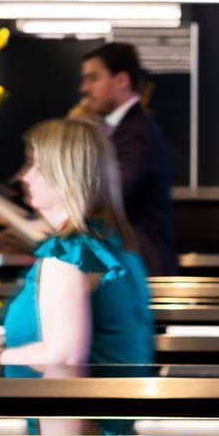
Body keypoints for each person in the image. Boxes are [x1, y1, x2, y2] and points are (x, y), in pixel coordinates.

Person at [0, 118, 154, 369]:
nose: (24, 176)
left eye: (37, 167)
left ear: (66, 178)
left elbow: (64, 358)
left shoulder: (70, 253)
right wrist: (12, 344)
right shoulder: (107, 240)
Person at [79, 42, 177, 276]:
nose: (84, 88)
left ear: (121, 80)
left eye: (93, 78)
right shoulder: (122, 128)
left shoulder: (136, 133)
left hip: (141, 268)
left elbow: (109, 198)